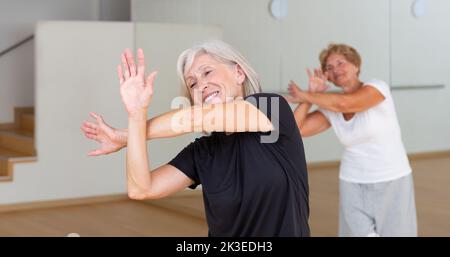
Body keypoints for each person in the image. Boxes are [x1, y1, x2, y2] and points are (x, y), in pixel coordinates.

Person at [81, 40, 310, 237]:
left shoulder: (271, 108)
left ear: (239, 73)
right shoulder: (203, 152)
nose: (201, 85)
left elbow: (198, 119)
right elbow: (141, 189)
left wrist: (126, 136)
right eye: (192, 83)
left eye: (207, 72)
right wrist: (136, 114)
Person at [286, 43, 417, 237]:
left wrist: (307, 95)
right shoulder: (330, 107)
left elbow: (345, 103)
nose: (336, 70)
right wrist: (310, 94)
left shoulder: (378, 88)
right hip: (352, 182)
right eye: (329, 68)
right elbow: (296, 130)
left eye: (341, 62)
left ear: (356, 65)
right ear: (327, 76)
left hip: (392, 180)